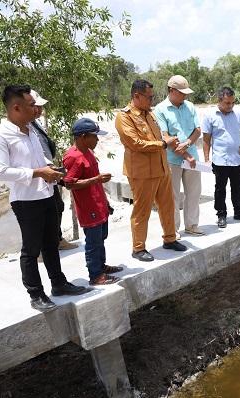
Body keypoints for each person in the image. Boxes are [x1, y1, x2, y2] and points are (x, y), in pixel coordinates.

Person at [0, 85, 87, 311]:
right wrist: (38, 173)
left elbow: (40, 158)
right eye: (32, 105)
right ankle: (36, 293)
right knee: (31, 249)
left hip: (46, 194)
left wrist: (53, 171)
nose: (36, 109)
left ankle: (59, 284)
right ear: (16, 107)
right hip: (25, 200)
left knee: (51, 243)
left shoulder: (30, 129)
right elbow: (0, 171)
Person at [115, 79, 187, 262]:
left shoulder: (150, 114)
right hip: (142, 173)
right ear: (136, 96)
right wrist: (164, 143)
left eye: (152, 97)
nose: (151, 101)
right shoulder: (125, 117)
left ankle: (170, 239)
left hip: (161, 168)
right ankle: (138, 248)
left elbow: (160, 135)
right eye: (149, 97)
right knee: (142, 210)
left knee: (168, 206)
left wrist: (169, 140)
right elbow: (136, 143)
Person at [63, 118, 122, 285]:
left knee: (101, 238)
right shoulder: (73, 157)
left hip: (99, 204)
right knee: (93, 242)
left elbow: (93, 180)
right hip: (88, 208)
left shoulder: (88, 152)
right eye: (94, 136)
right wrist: (96, 179)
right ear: (83, 136)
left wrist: (105, 201)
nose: (97, 140)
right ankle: (95, 275)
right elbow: (69, 183)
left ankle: (101, 266)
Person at [153, 75, 204, 236]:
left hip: (192, 158)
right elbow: (166, 137)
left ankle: (192, 225)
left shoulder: (190, 106)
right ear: (171, 90)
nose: (185, 96)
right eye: (181, 92)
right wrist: (186, 155)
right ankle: (173, 230)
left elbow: (197, 130)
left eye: (186, 93)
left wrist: (188, 144)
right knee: (172, 196)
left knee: (194, 193)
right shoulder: (160, 110)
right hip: (172, 160)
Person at [29, 89, 78, 251]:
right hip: (38, 176)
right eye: (37, 106)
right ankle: (41, 247)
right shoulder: (26, 127)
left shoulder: (35, 123)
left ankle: (56, 239)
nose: (40, 110)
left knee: (57, 206)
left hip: (48, 172)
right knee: (42, 213)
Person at [202, 86, 240, 228]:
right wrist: (207, 159)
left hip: (237, 159)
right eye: (227, 103)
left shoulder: (239, 115)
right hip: (220, 160)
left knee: (237, 187)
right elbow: (206, 139)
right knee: (220, 189)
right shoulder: (209, 116)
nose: (230, 106)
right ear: (219, 101)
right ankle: (221, 215)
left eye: (232, 103)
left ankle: (239, 212)